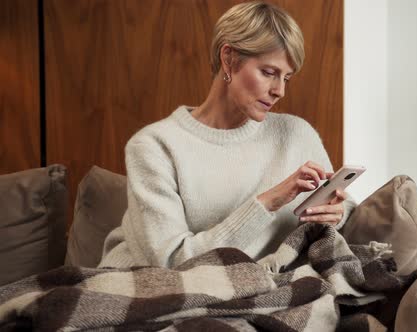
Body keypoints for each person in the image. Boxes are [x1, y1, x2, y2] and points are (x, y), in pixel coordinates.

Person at [98, 1, 356, 269]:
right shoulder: (154, 146)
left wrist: (337, 214)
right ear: (229, 59)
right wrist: (268, 202)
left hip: (250, 286)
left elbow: (344, 208)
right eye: (269, 73)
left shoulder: (296, 134)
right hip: (151, 287)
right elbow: (172, 262)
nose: (279, 90)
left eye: (286, 78)